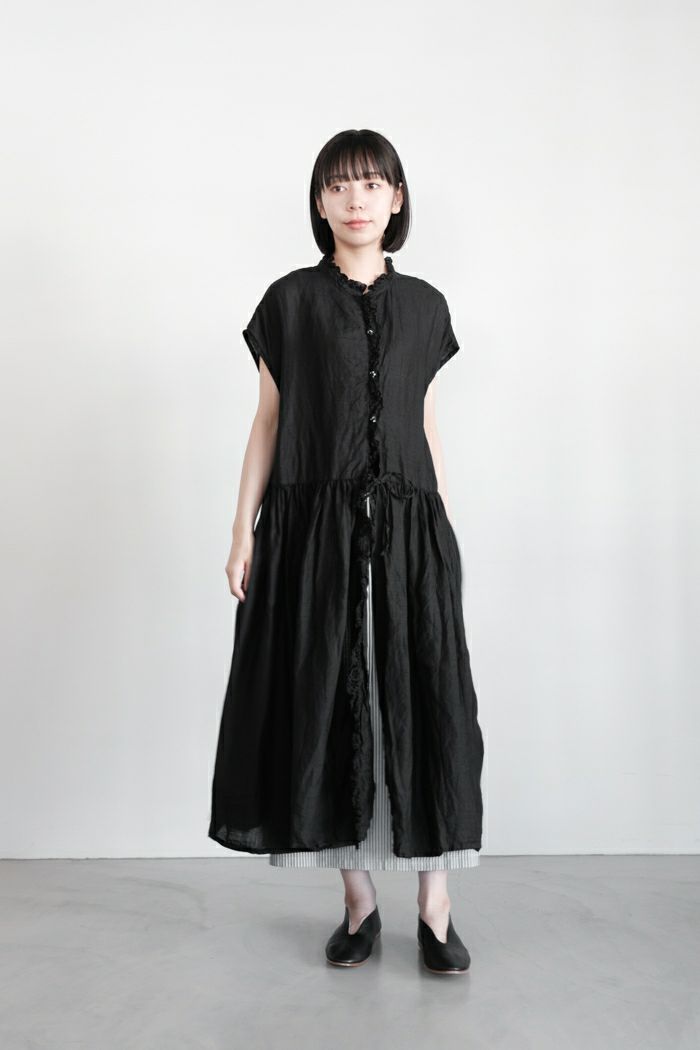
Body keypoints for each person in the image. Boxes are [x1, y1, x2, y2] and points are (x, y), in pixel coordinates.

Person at [208, 129, 485, 975]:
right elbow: (269, 421)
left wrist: (443, 528)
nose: (356, 199)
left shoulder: (427, 306)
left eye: (371, 184)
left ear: (396, 199)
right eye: (339, 186)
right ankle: (358, 901)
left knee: (426, 699)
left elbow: (423, 421)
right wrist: (242, 528)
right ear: (320, 203)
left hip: (410, 528)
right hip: (313, 535)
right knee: (327, 697)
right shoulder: (289, 302)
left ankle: (436, 906)